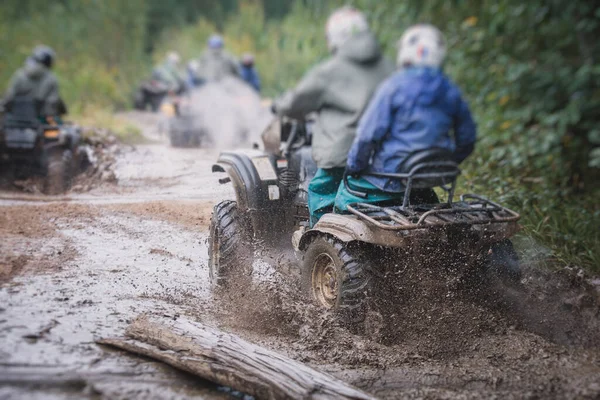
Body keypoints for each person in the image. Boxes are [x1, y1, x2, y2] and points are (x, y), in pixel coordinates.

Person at [272, 7, 394, 227]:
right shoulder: (389, 67)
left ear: (335, 38)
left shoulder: (330, 71)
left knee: (321, 192)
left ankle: (318, 246)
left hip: (341, 156)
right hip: (384, 156)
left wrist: (279, 106)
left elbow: (294, 104)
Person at [335, 24, 477, 212]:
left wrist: (354, 166)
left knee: (344, 195)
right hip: (433, 173)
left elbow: (367, 136)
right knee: (423, 193)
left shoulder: (393, 87)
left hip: (392, 174)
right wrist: (445, 162)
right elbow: (467, 139)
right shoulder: (451, 91)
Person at [2, 45, 65, 118]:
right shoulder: (51, 79)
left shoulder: (19, 75)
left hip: (15, 120)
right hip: (41, 121)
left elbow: (9, 98)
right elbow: (52, 103)